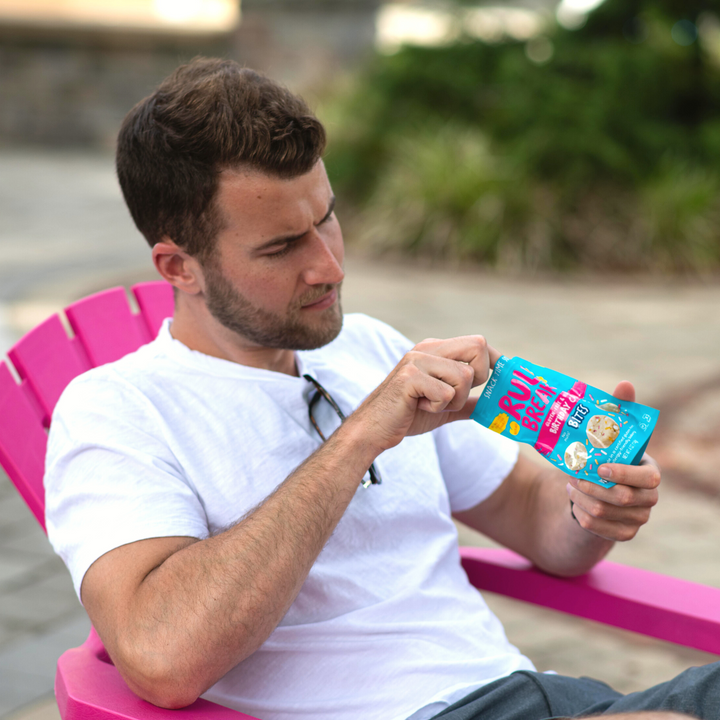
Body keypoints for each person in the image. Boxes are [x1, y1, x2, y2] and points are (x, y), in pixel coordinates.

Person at [44, 58, 715, 720]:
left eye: (327, 218)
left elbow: (536, 521)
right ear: (178, 266)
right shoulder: (117, 411)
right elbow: (162, 658)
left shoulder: (369, 347)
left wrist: (591, 507)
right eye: (281, 248)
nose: (329, 266)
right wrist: (361, 435)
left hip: (541, 698)